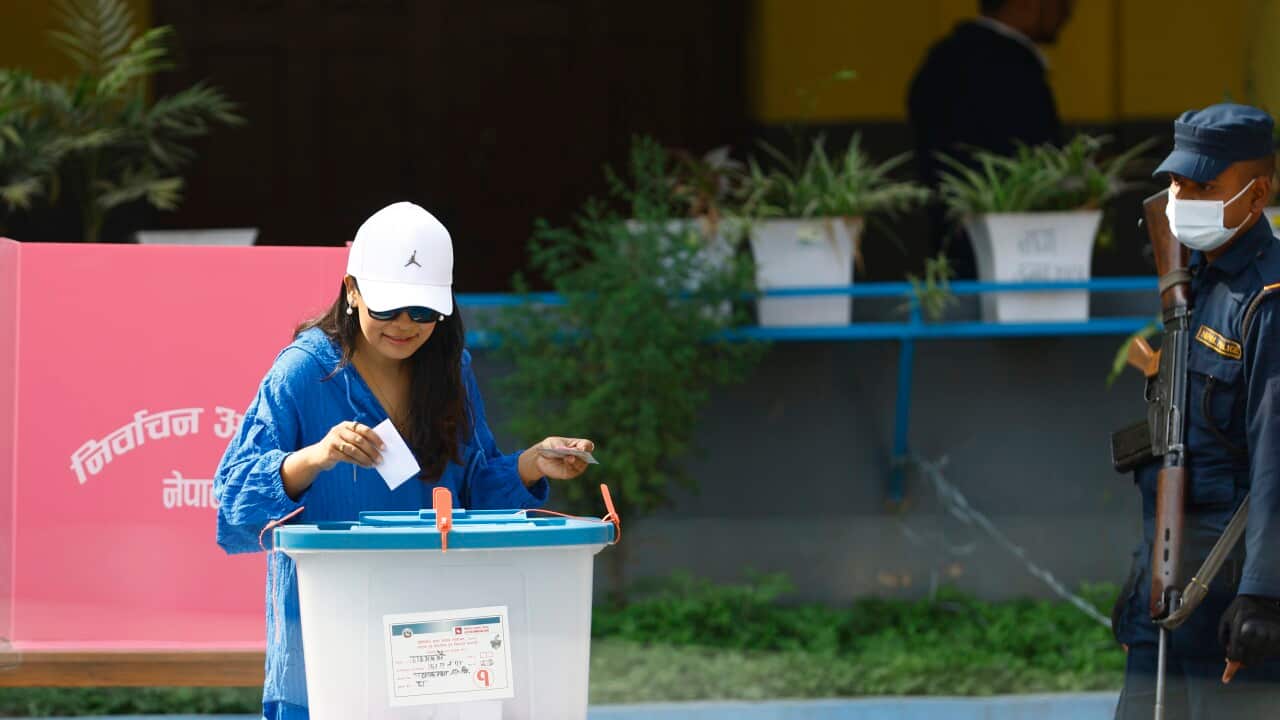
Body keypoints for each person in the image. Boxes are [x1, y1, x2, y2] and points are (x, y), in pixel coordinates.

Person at [213, 201, 595, 720]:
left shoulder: (450, 371)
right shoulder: (303, 371)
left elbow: (474, 494)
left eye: (423, 311)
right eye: (388, 308)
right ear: (352, 291)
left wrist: (530, 465)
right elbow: (234, 499)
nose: (406, 325)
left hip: (437, 633)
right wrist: (316, 457)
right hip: (332, 633)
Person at [1112, 104, 1280, 718]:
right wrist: (1141, 577)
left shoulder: (1268, 299)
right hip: (1166, 581)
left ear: (1257, 192)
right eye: (1177, 182)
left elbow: (1275, 461)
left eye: (1204, 186)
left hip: (1231, 590)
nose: (1182, 198)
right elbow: (1173, 444)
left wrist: (1267, 595)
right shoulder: (1193, 283)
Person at [907, 0, 1073, 278]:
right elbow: (1040, 168)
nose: (1068, 11)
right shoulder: (1016, 72)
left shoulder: (940, 60)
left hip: (948, 255)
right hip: (1022, 259)